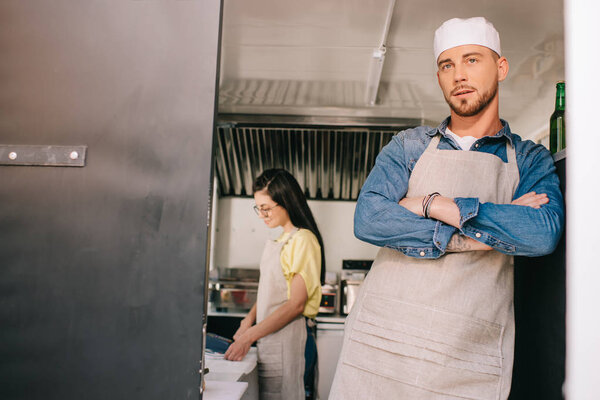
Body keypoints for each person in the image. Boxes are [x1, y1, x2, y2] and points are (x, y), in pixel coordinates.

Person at [329, 17, 564, 400]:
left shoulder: (529, 158)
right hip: (382, 348)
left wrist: (433, 205)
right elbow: (369, 217)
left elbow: (541, 233)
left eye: (472, 60)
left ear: (500, 68)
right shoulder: (408, 145)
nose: (459, 75)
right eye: (447, 65)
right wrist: (482, 237)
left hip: (468, 356)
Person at [224, 168, 324, 400]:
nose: (262, 215)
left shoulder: (303, 240)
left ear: (286, 202)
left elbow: (296, 304)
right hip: (271, 337)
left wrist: (249, 337)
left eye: (266, 208)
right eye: (258, 208)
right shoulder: (280, 240)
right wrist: (247, 321)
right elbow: (269, 293)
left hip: (291, 339)